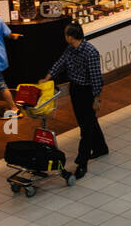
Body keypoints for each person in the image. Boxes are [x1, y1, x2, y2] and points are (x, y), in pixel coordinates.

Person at [42, 22, 108, 180]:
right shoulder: (70, 49)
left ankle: (82, 163)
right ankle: (101, 148)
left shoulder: (90, 52)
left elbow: (96, 77)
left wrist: (96, 98)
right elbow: (61, 63)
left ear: (71, 37)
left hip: (87, 91)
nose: (64, 37)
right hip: (75, 89)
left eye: (66, 34)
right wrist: (48, 77)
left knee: (85, 128)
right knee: (87, 121)